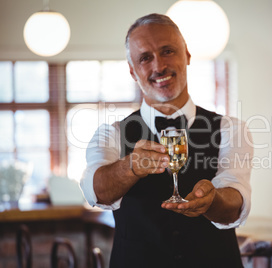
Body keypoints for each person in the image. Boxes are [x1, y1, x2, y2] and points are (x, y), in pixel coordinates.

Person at [80, 13, 253, 268]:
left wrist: (212, 200)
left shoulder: (231, 129)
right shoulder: (112, 134)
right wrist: (130, 167)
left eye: (168, 51)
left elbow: (236, 200)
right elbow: (96, 191)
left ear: (187, 55)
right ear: (132, 71)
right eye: (145, 58)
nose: (158, 66)